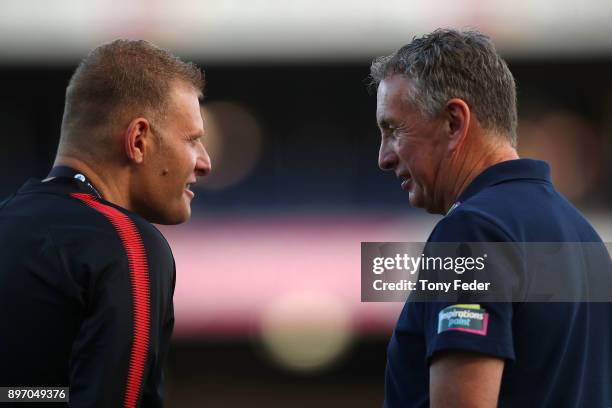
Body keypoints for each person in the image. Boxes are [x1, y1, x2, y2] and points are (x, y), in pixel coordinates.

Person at [371, 29, 611, 407]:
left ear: (453, 122)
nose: (384, 157)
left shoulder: (471, 231)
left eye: (394, 130)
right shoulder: (585, 238)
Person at [0, 40, 211, 406]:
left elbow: (22, 394)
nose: (205, 163)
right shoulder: (126, 245)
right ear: (139, 141)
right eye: (192, 140)